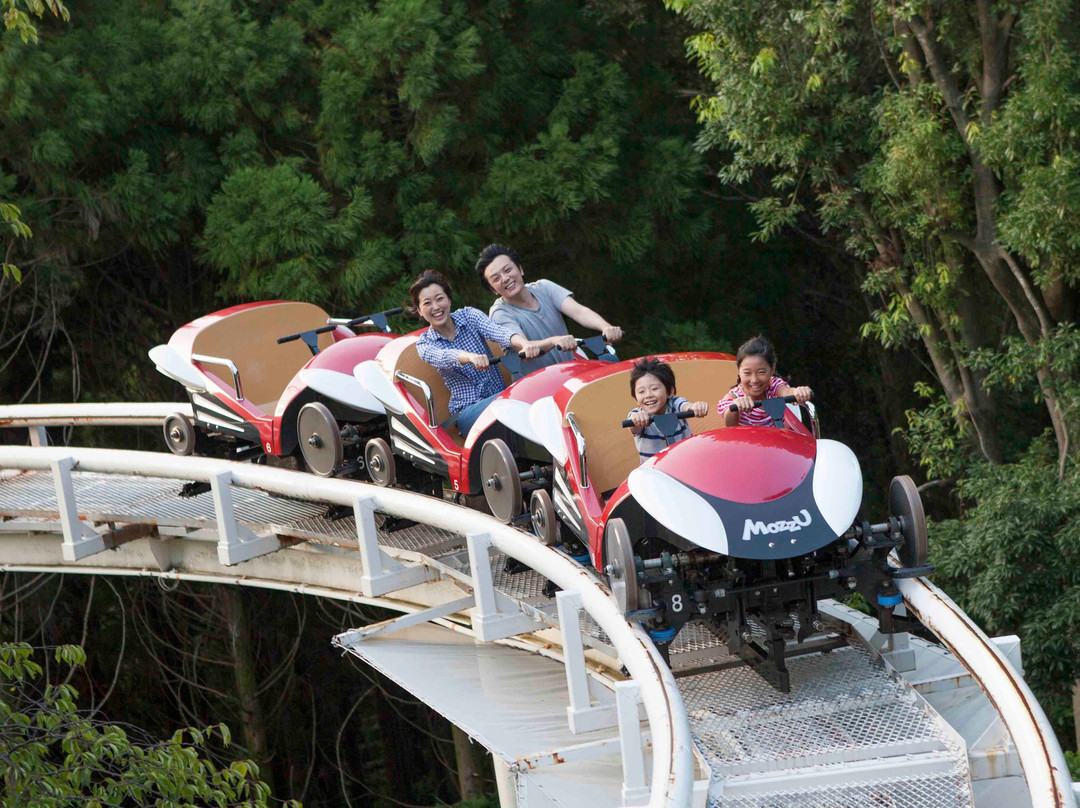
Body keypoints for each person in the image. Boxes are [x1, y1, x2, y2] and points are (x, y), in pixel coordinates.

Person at [411, 270, 541, 436]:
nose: (436, 307)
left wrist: (524, 343)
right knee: (516, 400)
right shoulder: (425, 344)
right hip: (468, 412)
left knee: (526, 393)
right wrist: (470, 357)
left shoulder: (469, 316)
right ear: (420, 311)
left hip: (501, 400)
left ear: (449, 300)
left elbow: (498, 332)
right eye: (427, 303)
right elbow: (445, 357)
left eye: (440, 298)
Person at [477, 244, 624, 376]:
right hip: (537, 387)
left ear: (520, 269)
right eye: (496, 279)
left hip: (570, 372)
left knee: (610, 362)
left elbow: (579, 311)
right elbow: (524, 344)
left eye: (508, 270)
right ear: (493, 290)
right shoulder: (499, 313)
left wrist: (606, 327)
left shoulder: (544, 287)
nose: (505, 278)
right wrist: (554, 341)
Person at [626, 357, 709, 463]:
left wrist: (694, 407)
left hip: (687, 463)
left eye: (654, 389)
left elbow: (684, 405)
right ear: (636, 399)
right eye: (641, 392)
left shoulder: (674, 404)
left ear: (669, 392)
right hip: (656, 472)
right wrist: (636, 420)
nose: (648, 395)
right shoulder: (638, 415)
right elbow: (633, 425)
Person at [719, 335, 812, 427]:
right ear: (739, 371)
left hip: (773, 439)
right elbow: (730, 425)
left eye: (761, 372)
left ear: (772, 369)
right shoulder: (733, 396)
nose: (754, 380)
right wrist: (736, 406)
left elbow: (787, 392)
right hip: (744, 441)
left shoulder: (774, 387)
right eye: (747, 373)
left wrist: (798, 392)